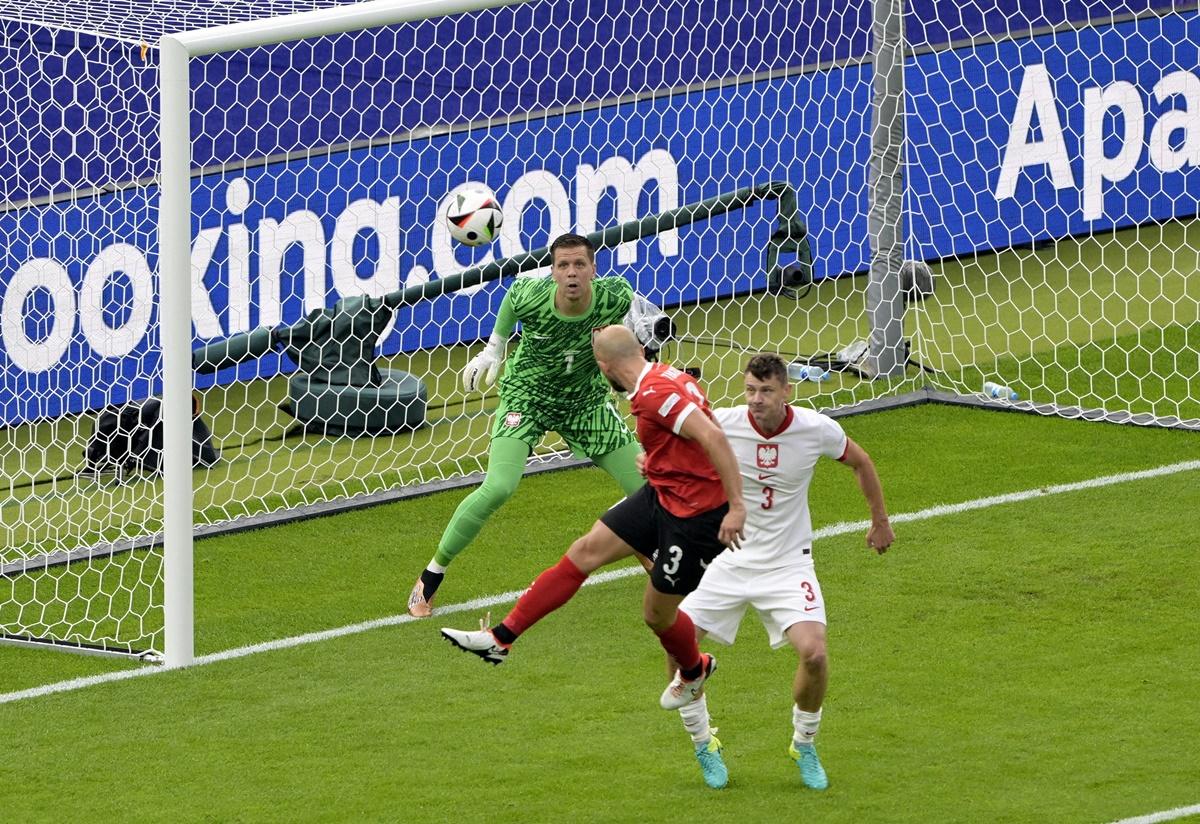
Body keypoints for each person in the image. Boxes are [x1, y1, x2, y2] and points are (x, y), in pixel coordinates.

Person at [441, 326, 747, 785]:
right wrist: (661, 463)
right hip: (663, 494)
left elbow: (715, 439)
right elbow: (698, 434)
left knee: (657, 616)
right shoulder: (666, 377)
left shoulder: (652, 395)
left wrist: (737, 506)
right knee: (584, 552)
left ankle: (695, 668)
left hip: (696, 519)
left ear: (603, 367)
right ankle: (501, 640)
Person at [668, 353, 893, 791]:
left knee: (815, 653)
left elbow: (861, 462)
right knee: (678, 645)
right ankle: (702, 741)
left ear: (787, 391)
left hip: (789, 563)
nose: (756, 400)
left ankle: (803, 743)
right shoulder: (724, 421)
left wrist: (880, 520)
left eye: (766, 391)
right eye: (750, 390)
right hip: (726, 559)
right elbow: (678, 440)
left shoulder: (815, 429)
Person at [407, 234, 647, 617]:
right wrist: (494, 348)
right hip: (527, 399)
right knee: (499, 486)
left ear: (593, 270)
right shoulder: (531, 295)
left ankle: (651, 553)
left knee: (649, 487)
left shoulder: (614, 295)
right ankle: (430, 577)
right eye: (563, 266)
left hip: (584, 403)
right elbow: (512, 298)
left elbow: (633, 324)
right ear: (552, 271)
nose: (571, 273)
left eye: (579, 265)